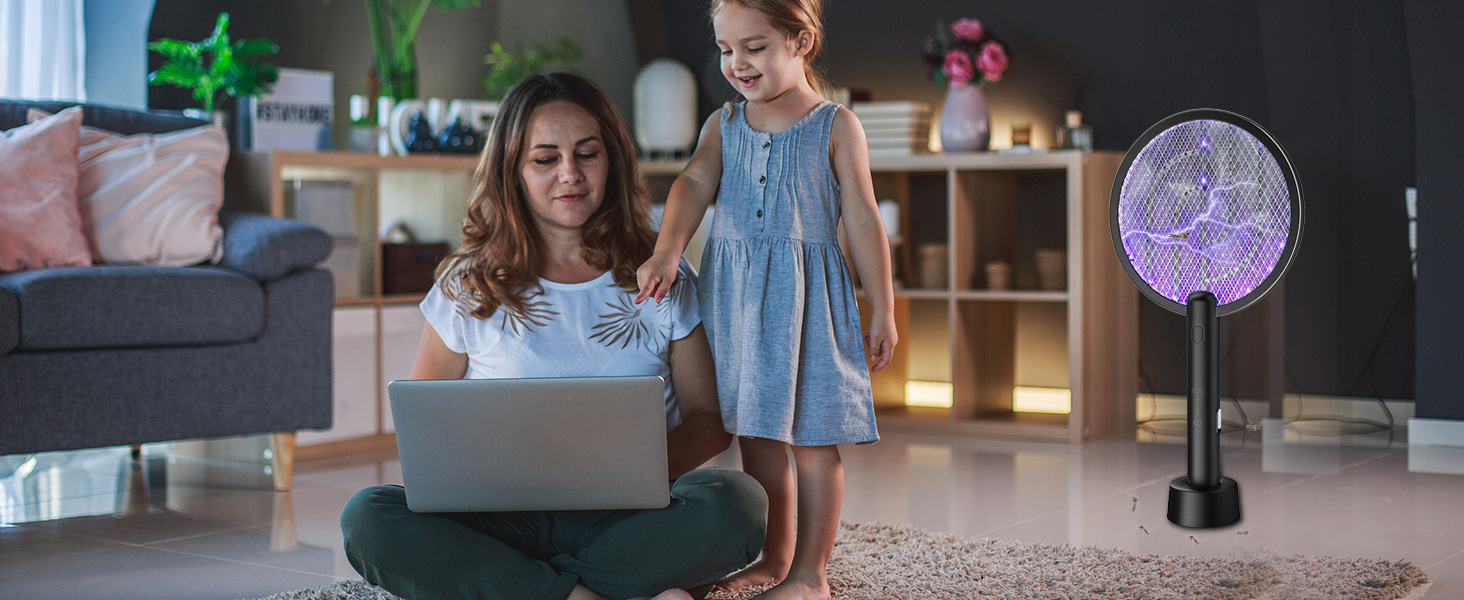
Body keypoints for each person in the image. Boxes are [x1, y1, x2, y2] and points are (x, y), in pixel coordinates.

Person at [340, 72, 767, 600]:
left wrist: (627, 473)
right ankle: (598, 591)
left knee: (737, 502)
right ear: (513, 171)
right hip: (498, 520)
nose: (571, 174)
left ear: (611, 160)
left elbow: (708, 421)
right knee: (369, 517)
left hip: (624, 515)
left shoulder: (660, 274)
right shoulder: (466, 283)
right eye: (545, 159)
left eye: (587, 154)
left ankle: (527, 589)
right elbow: (423, 436)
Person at [634, 0, 897, 598]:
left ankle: (811, 574)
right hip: (737, 304)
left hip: (808, 305)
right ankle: (775, 559)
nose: (737, 64)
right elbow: (693, 184)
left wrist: (880, 305)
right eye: (726, 51)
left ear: (800, 40)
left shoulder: (835, 125)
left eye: (754, 48)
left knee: (811, 439)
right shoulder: (721, 125)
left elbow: (861, 219)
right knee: (756, 435)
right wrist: (668, 250)